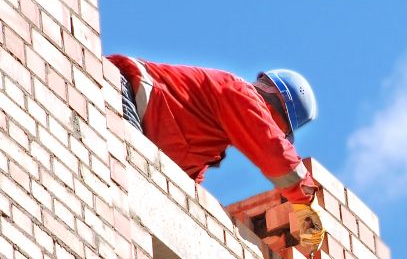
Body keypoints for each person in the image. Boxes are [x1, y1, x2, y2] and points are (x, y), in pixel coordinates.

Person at [108, 55, 319, 205]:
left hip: (131, 111)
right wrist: (306, 199)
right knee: (127, 191)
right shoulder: (240, 93)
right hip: (120, 93)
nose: (277, 133)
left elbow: (184, 185)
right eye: (281, 131)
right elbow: (273, 149)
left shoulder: (209, 136)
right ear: (277, 111)